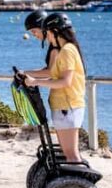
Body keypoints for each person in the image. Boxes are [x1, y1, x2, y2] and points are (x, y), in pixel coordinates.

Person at [23, 13, 86, 163]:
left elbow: (65, 81)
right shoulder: (66, 49)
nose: (48, 37)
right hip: (63, 106)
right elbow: (56, 74)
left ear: (56, 32)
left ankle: (80, 185)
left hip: (68, 106)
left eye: (49, 32)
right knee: (68, 153)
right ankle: (72, 183)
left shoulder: (67, 50)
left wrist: (35, 82)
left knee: (72, 155)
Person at [22, 9, 58, 80]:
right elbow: (49, 69)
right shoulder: (53, 44)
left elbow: (51, 72)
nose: (33, 35)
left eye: (34, 31)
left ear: (43, 28)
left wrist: (25, 73)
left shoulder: (56, 45)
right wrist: (27, 75)